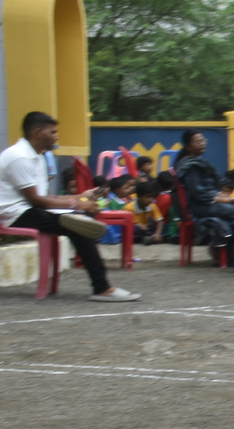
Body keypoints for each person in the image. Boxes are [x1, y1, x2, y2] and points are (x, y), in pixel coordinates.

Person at [0, 111, 139, 302]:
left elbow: (44, 197)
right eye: (53, 132)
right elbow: (36, 200)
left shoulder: (37, 156)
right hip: (13, 213)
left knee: (81, 221)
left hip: (30, 209)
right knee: (78, 226)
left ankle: (102, 286)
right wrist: (78, 204)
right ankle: (102, 288)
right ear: (37, 132)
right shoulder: (19, 157)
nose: (56, 136)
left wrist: (80, 197)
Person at [174, 128, 234, 250]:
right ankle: (228, 250)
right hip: (198, 207)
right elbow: (199, 193)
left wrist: (222, 195)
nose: (202, 143)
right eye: (197, 142)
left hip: (204, 203)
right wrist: (223, 199)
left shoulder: (197, 162)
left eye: (203, 140)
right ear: (188, 147)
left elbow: (208, 188)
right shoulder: (190, 167)